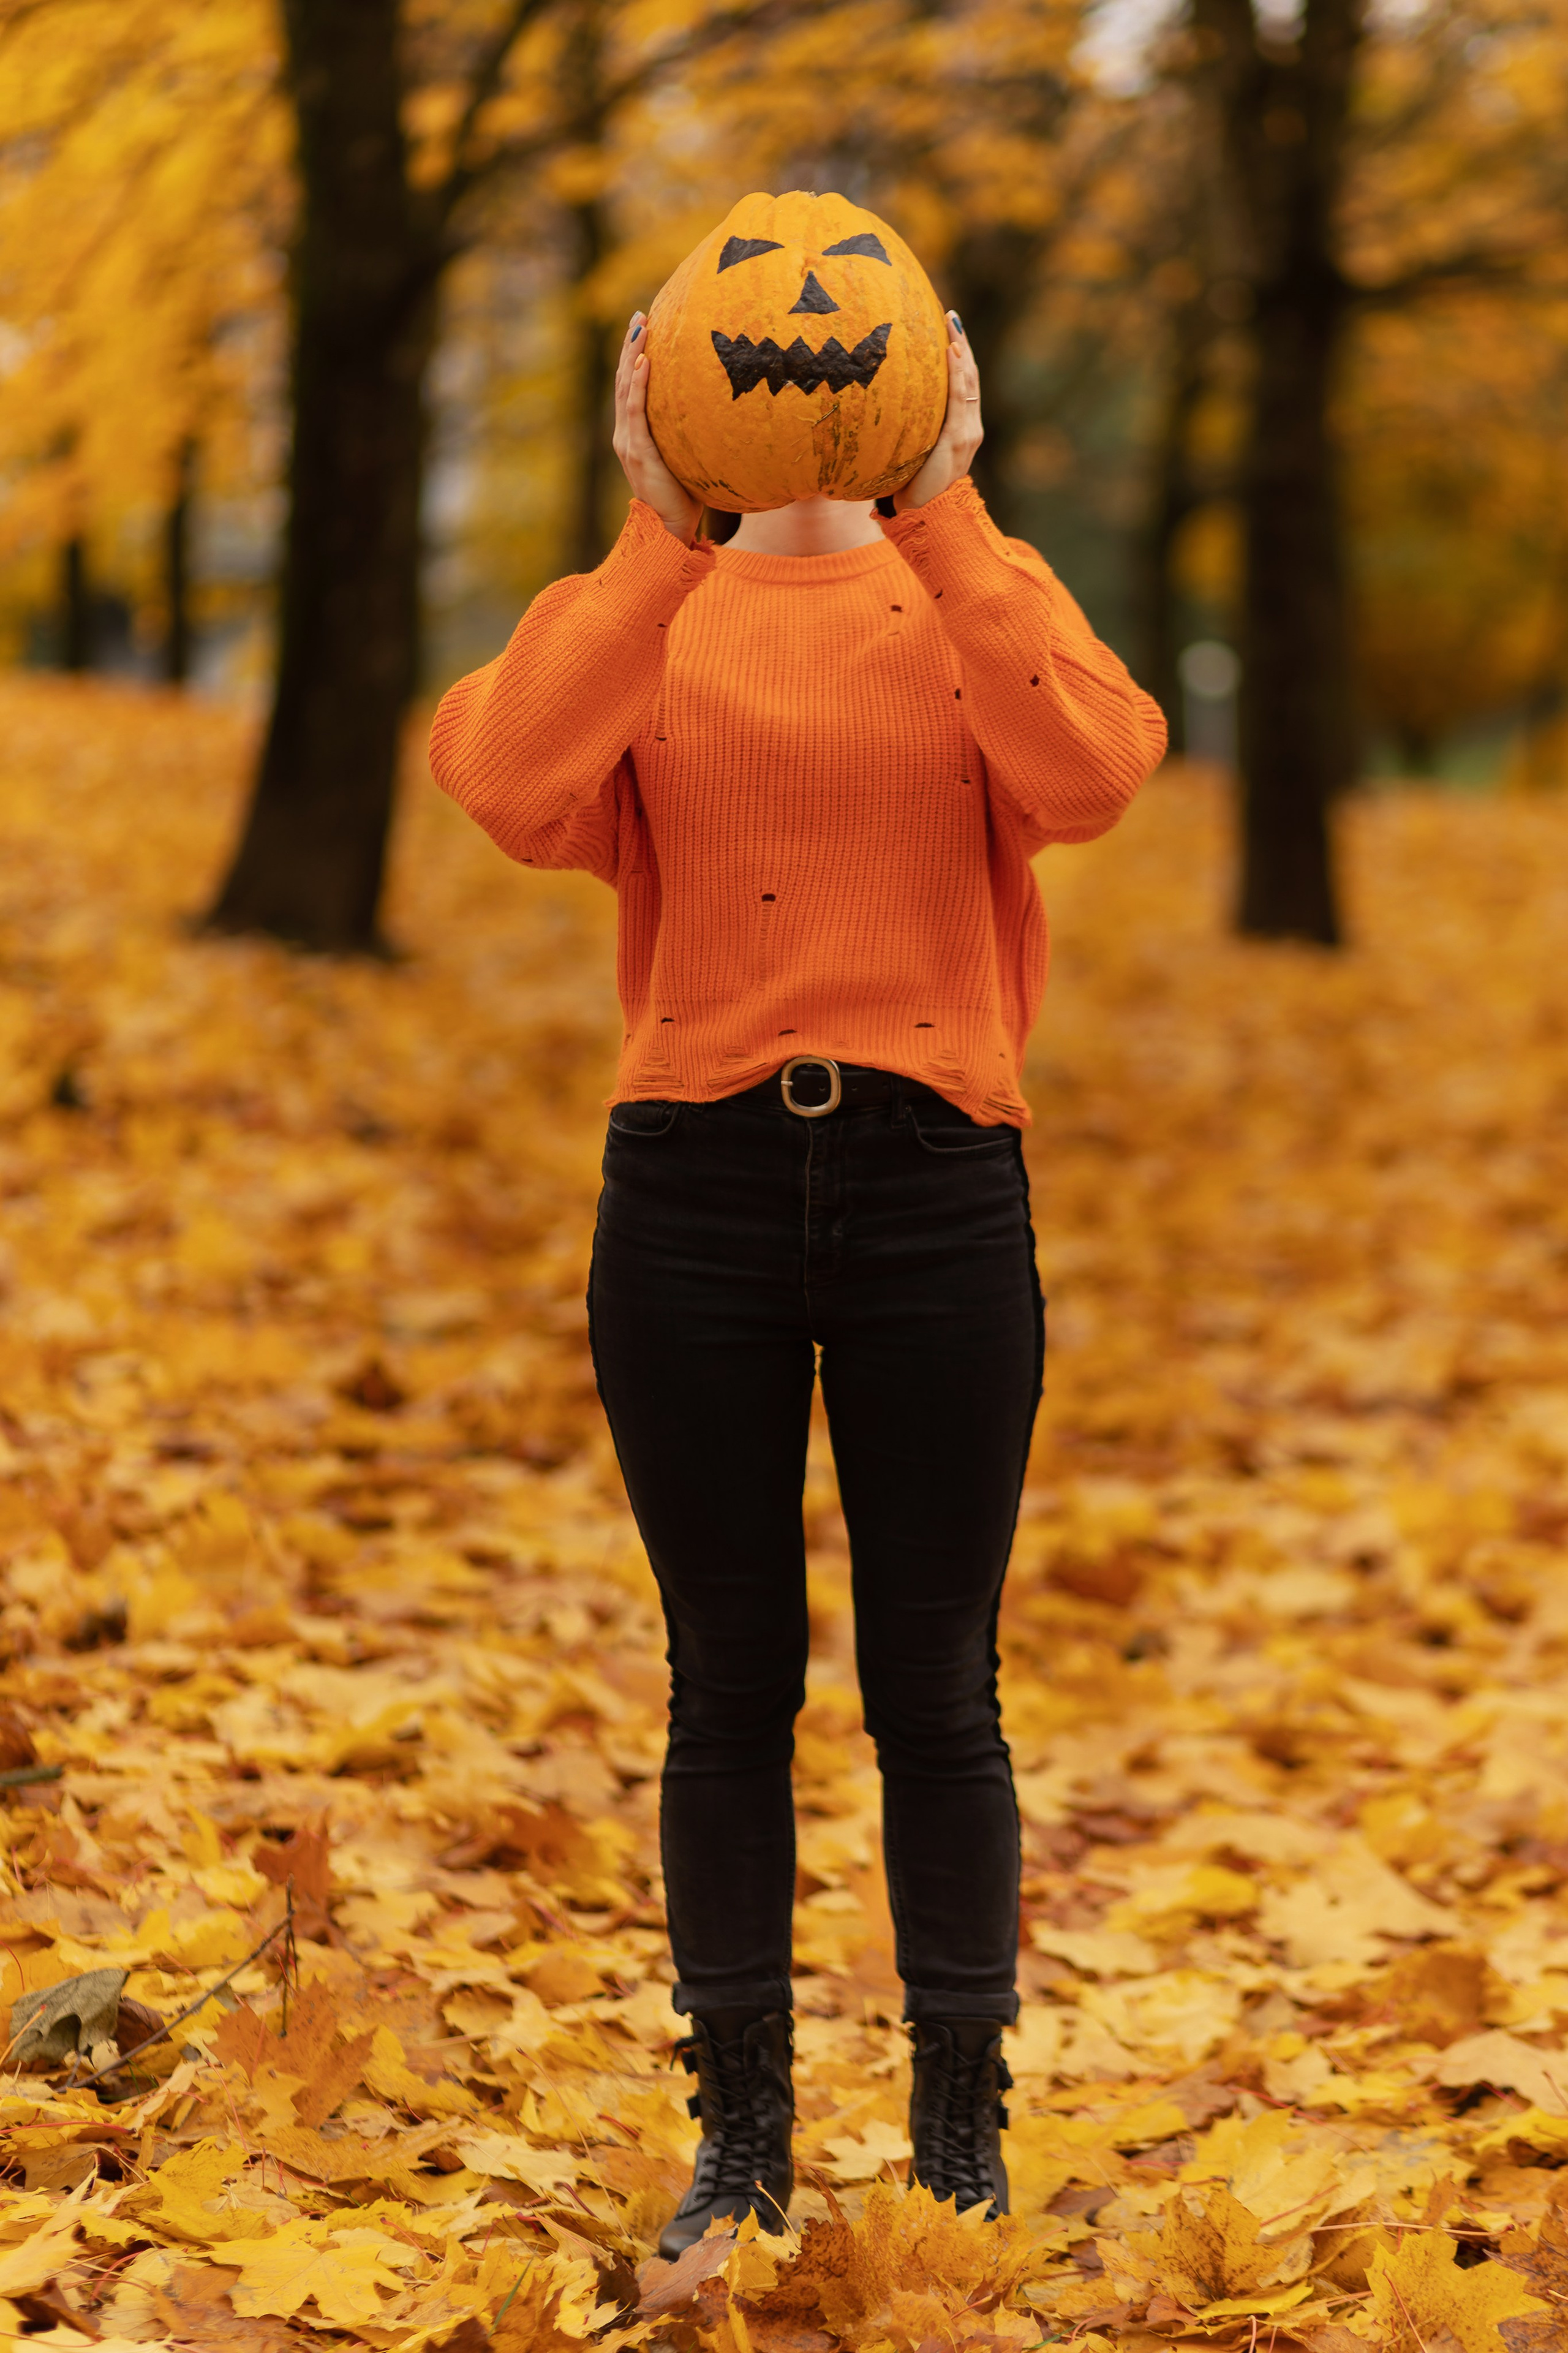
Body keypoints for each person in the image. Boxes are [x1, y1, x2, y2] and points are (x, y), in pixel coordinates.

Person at [429, 298, 1166, 2254]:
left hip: (938, 1185)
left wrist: (952, 508)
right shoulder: (648, 616)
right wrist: (655, 526)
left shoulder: (975, 595)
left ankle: (956, 2136)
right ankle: (741, 2136)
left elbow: (1098, 768)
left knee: (938, 1686)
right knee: (728, 1680)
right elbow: (503, 778)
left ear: (931, 369)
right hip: (694, 1191)